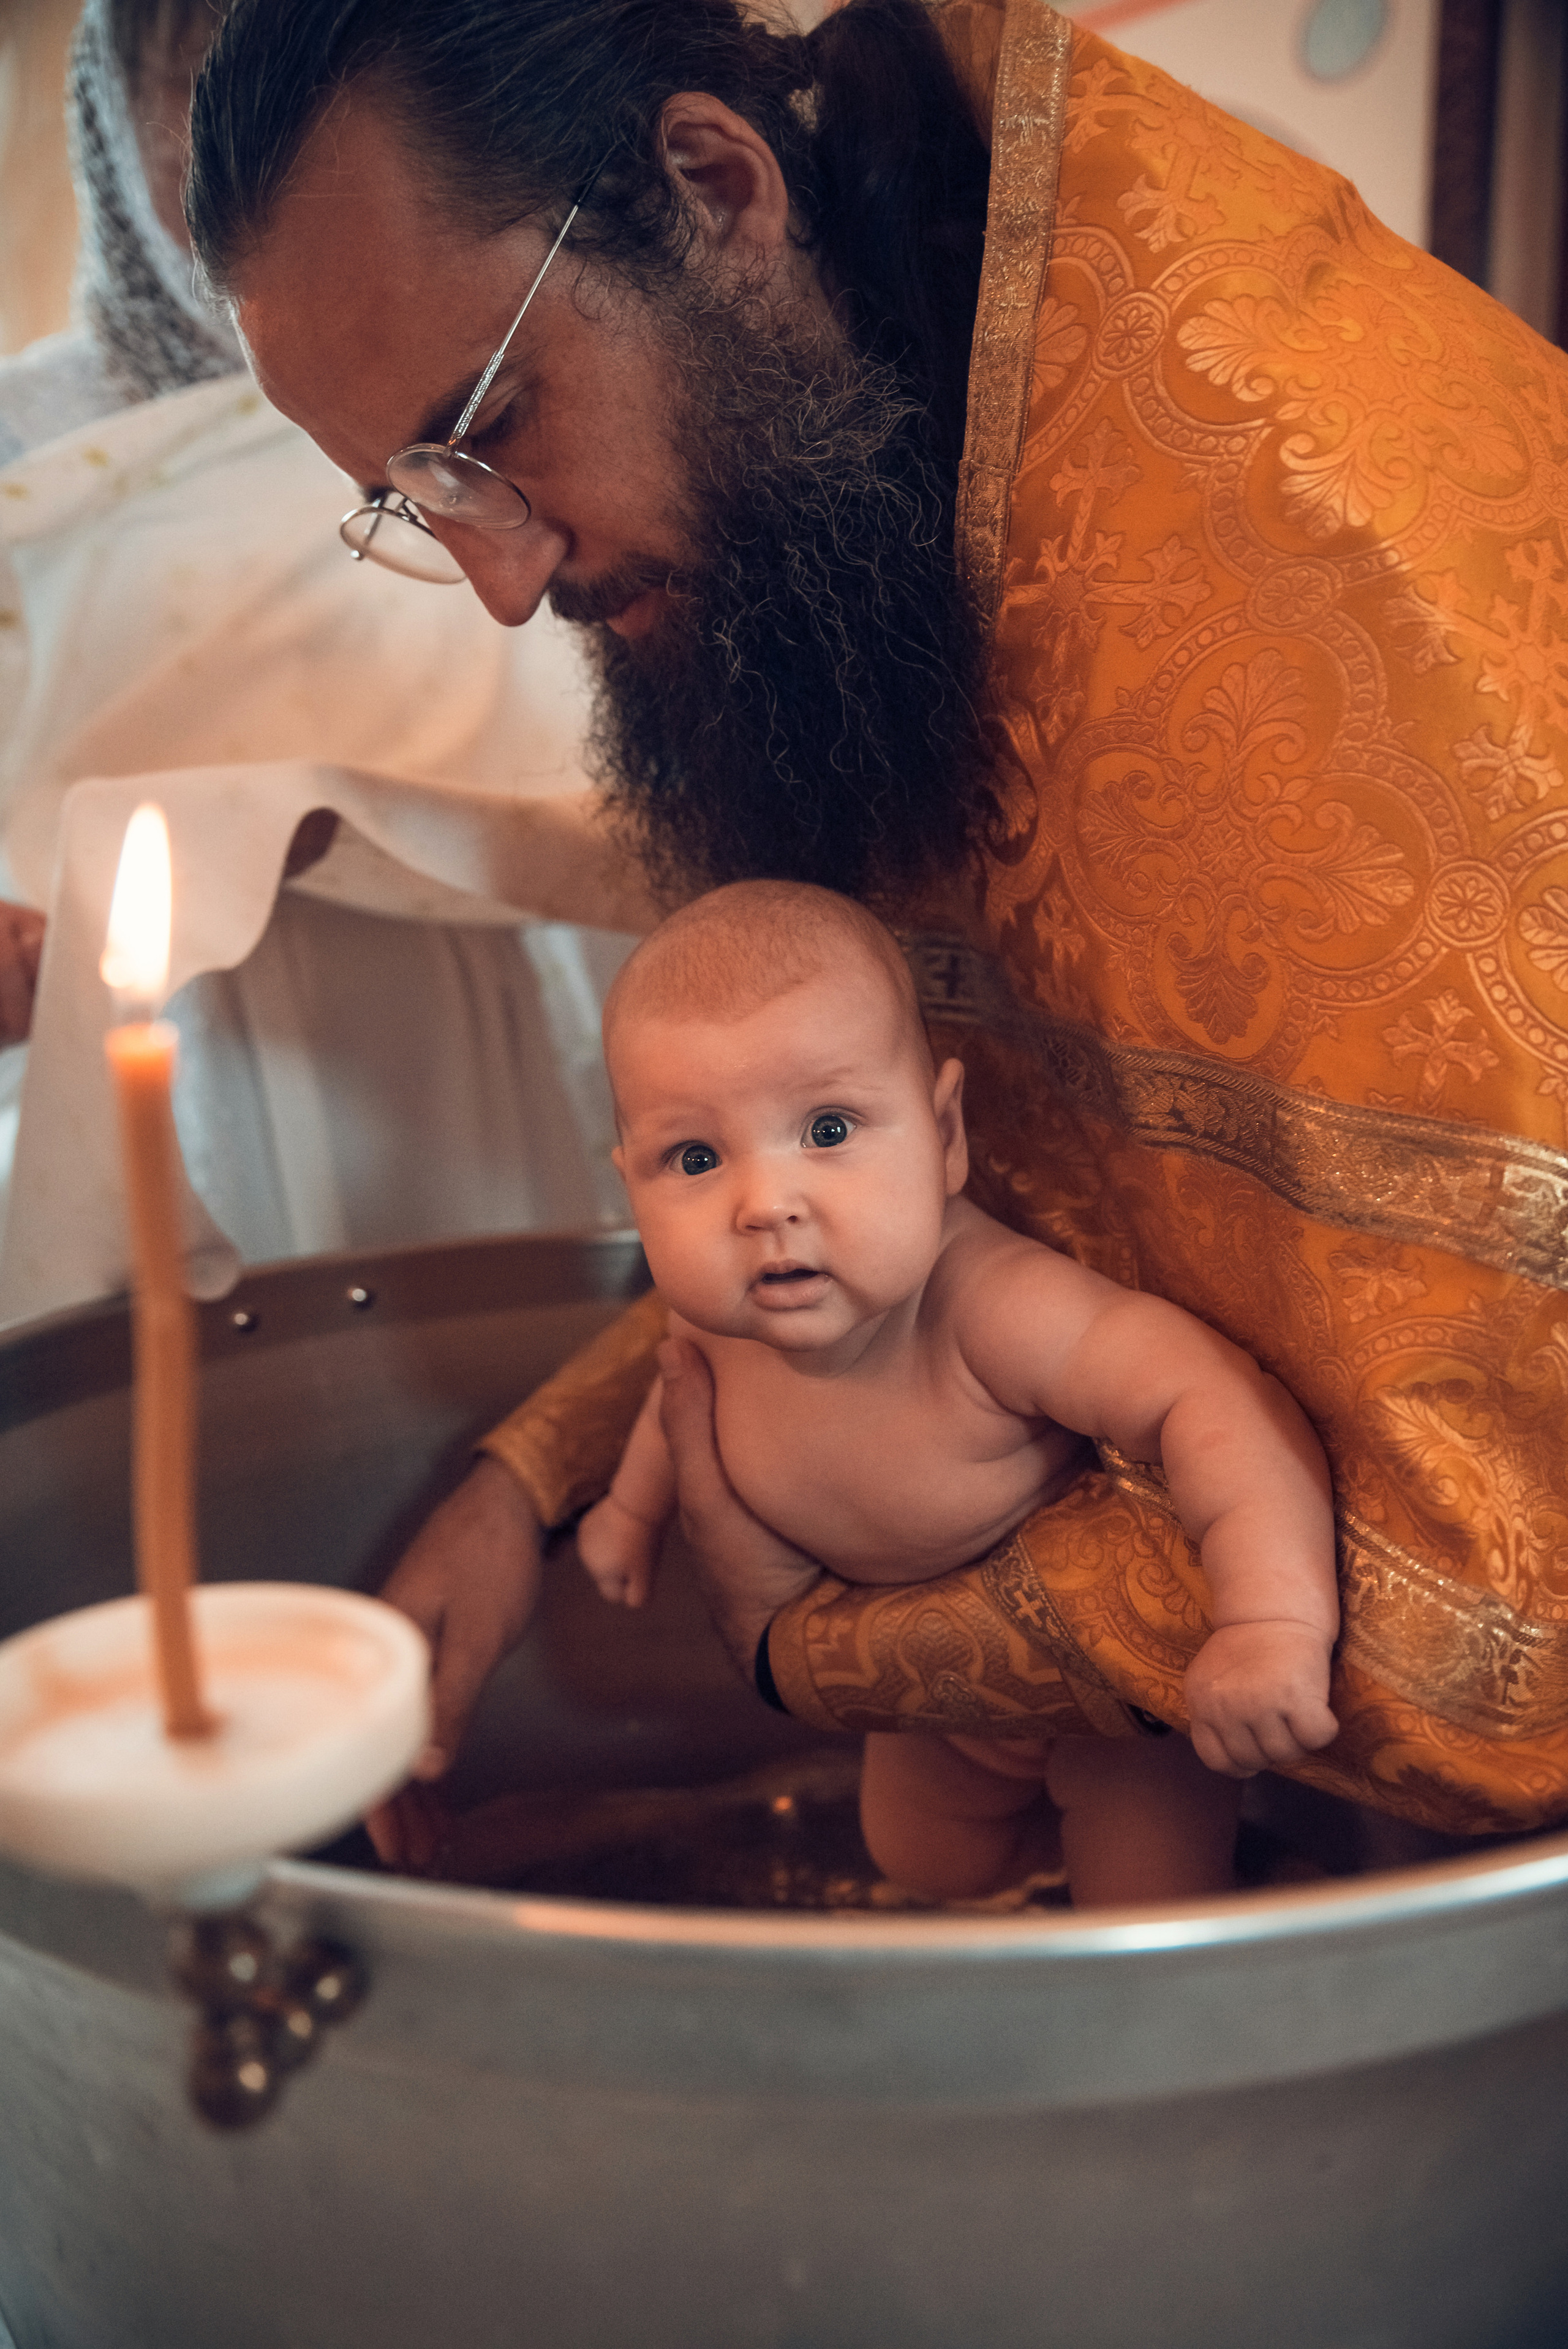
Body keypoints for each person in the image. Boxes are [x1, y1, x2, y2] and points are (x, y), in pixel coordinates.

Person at [186, 0, 1568, 1852]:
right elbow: (882, 1166)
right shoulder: (884, 427)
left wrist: (818, 1653)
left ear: (714, 186)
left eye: (492, 431)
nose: (506, 584)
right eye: (418, 501)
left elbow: (1502, 1612)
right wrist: (530, 1476)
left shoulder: (1301, 559)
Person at [0, 0, 636, 1285]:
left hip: (527, 963)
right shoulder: (41, 447)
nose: (250, 145)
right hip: (199, 1027)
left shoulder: (501, 339)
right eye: (196, 94)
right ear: (119, 117)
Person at [575, 881, 1338, 1905]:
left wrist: (1270, 1623)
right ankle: (1050, 1884)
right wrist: (631, 1510)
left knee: (1143, 1910)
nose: (765, 1205)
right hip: (933, 1689)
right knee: (925, 1858)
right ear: (631, 1183)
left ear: (943, 1136)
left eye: (829, 1129)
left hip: (1115, 1703)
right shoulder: (716, 1319)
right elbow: (678, 1413)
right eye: (696, 1157)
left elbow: (1211, 1398)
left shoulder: (993, 1310)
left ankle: (1200, 1897)